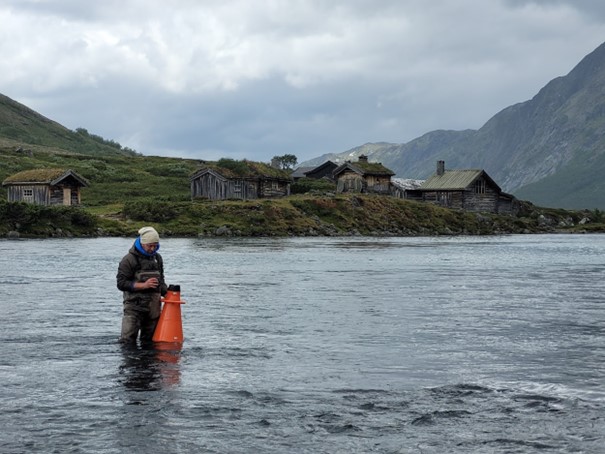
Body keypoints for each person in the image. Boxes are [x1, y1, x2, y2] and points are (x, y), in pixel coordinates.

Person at [116, 226, 168, 344]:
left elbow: (161, 280)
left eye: (155, 245)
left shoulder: (157, 258)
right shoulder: (128, 260)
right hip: (133, 307)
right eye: (150, 245)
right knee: (127, 342)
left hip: (153, 308)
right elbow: (121, 283)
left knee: (150, 342)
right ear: (142, 243)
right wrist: (143, 285)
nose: (153, 248)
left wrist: (168, 293)